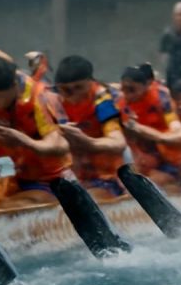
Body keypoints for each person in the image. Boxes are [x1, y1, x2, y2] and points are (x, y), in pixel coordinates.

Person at [0, 59, 72, 207]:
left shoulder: (38, 98)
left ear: (14, 88)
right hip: (9, 175)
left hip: (47, 180)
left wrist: (24, 141)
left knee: (4, 207)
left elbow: (61, 145)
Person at [52, 56, 127, 200]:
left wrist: (87, 141)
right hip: (68, 176)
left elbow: (118, 142)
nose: (73, 95)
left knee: (87, 197)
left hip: (104, 176)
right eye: (66, 90)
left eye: (79, 87)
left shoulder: (103, 100)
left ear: (91, 82)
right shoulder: (51, 98)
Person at [117, 64, 181, 192]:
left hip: (170, 156)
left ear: (147, 85)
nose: (126, 95)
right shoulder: (119, 104)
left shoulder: (162, 99)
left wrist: (153, 134)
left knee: (156, 181)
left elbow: (179, 134)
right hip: (144, 159)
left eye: (132, 90)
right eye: (123, 89)